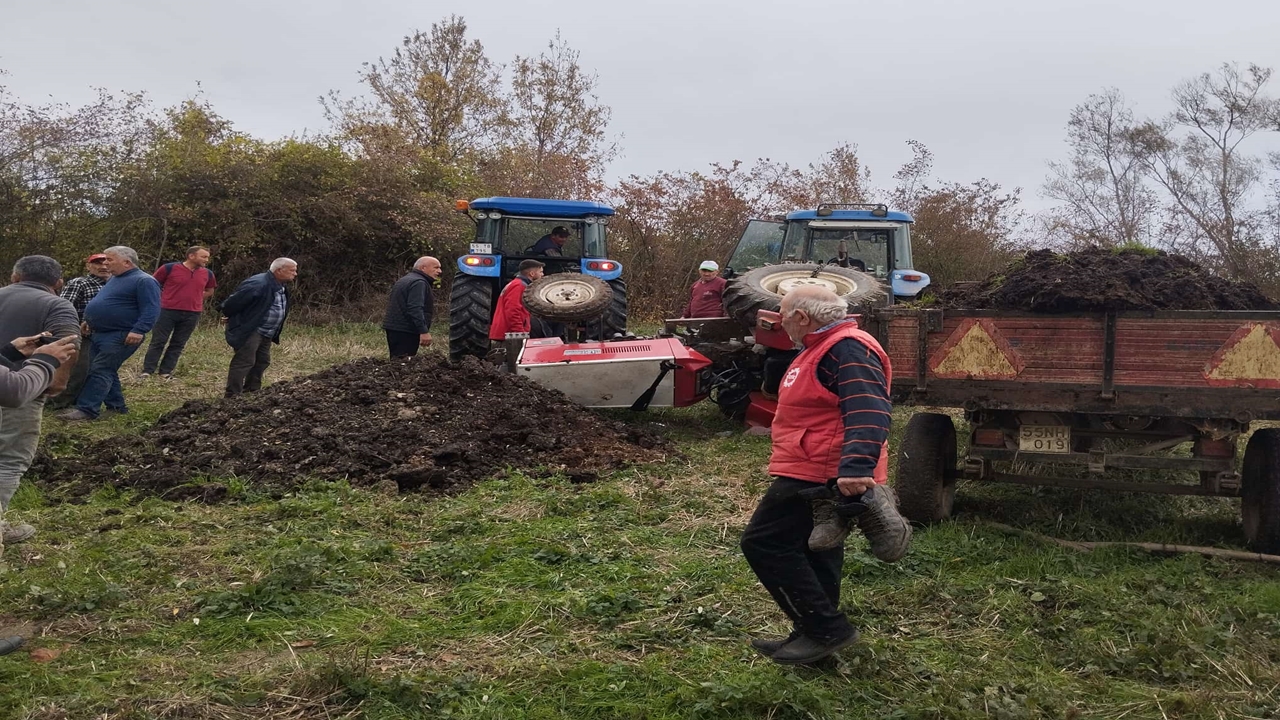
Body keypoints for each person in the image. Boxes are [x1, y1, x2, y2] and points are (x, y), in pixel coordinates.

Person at [739, 285, 911, 666]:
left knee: (764, 543)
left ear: (803, 316)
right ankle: (813, 637)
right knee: (816, 549)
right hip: (813, 464)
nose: (781, 325)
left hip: (821, 470)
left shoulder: (847, 348)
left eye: (784, 318)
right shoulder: (821, 347)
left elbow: (869, 409)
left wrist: (856, 469)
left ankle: (825, 628)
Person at [0, 255, 81, 549]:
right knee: (9, 459)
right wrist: (54, 382)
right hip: (21, 387)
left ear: (15, 277)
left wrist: (7, 352)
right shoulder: (57, 304)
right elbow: (67, 343)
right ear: (58, 284)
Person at [58, 246, 161, 422]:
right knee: (106, 369)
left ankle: (87, 409)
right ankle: (117, 407)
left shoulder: (144, 281)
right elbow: (107, 303)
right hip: (99, 333)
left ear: (127, 262)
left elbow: (152, 308)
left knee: (101, 369)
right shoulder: (115, 279)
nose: (105, 263)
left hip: (121, 334)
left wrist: (139, 330)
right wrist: (89, 321)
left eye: (109, 259)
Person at [220, 258, 296, 398]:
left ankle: (252, 391)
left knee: (262, 361)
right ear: (279, 270)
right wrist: (231, 316)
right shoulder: (258, 284)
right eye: (292, 270)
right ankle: (232, 396)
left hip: (267, 331)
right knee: (244, 361)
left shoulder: (281, 285)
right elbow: (232, 303)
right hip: (251, 329)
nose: (295, 273)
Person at [141, 246, 217, 379]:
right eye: (203, 256)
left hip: (192, 313)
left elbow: (210, 290)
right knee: (158, 341)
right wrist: (162, 298)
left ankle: (165, 372)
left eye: (207, 257)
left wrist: (197, 297)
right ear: (191, 256)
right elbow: (153, 284)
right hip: (167, 310)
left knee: (178, 343)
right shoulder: (169, 268)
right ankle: (147, 370)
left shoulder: (208, 273)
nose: (206, 260)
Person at [48, 253, 111, 409]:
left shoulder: (115, 284)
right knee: (77, 370)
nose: (103, 266)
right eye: (97, 263)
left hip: (106, 335)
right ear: (88, 266)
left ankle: (81, 400)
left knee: (97, 370)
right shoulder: (79, 283)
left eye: (106, 262)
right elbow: (64, 308)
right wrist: (78, 325)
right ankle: (58, 402)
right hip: (82, 334)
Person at [382, 256, 442, 359]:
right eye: (435, 268)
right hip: (406, 331)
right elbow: (415, 308)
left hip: (395, 328)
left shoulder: (405, 280)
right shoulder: (419, 283)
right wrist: (423, 331)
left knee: (397, 361)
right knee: (404, 363)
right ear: (423, 268)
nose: (439, 271)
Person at [489, 260, 545, 342]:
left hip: (509, 335)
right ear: (532, 274)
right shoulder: (518, 286)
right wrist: (520, 334)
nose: (542, 275)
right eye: (540, 272)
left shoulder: (516, 284)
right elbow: (512, 311)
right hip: (510, 337)